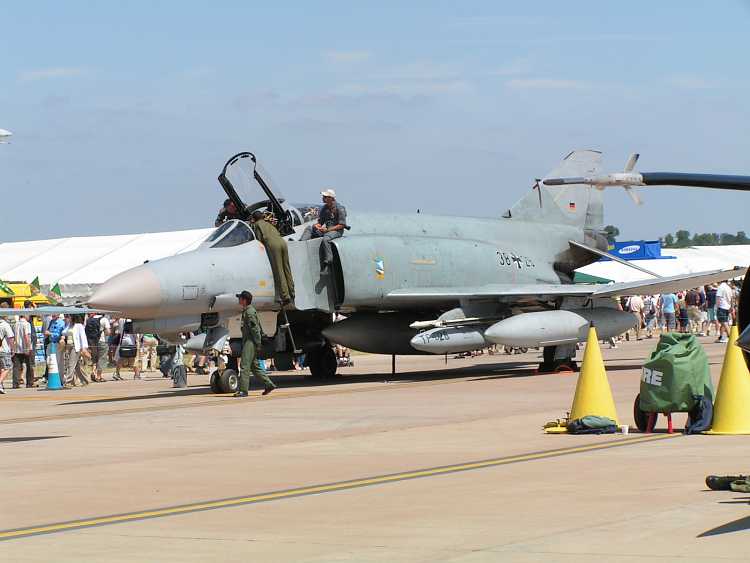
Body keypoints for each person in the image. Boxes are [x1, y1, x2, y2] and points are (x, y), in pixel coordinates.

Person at [235, 290, 275, 397]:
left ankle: (243, 390)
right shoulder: (248, 311)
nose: (238, 300)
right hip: (249, 340)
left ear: (244, 300)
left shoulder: (249, 312)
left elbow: (255, 329)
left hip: (250, 341)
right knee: (255, 367)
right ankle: (269, 384)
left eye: (240, 298)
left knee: (244, 366)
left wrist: (258, 343)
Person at [251, 210, 295, 304]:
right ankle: (292, 292)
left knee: (279, 270)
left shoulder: (257, 225)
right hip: (282, 242)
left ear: (254, 219)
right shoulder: (268, 224)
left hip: (273, 245)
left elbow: (258, 240)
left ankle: (285, 296)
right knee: (287, 268)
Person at [300, 189, 347, 274]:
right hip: (327, 230)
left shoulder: (340, 208)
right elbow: (320, 222)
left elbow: (342, 225)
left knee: (326, 239)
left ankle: (328, 263)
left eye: (325, 197)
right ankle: (300, 244)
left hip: (337, 231)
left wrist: (328, 230)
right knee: (309, 228)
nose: (323, 198)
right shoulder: (325, 208)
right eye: (323, 196)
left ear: (331, 198)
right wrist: (317, 225)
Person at [65, 314, 91, 387]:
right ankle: (85, 380)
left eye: (68, 317)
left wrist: (84, 348)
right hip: (69, 347)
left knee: (71, 364)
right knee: (77, 366)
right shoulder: (68, 325)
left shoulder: (79, 326)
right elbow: (64, 332)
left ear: (72, 317)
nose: (66, 318)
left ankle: (68, 381)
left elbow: (83, 336)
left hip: (76, 347)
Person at [85, 313, 110, 382]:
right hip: (102, 341)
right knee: (102, 358)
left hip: (92, 341)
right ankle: (99, 376)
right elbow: (108, 332)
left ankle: (93, 372)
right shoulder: (104, 319)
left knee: (94, 357)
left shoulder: (90, 319)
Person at [12, 314, 35, 388]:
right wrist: (28, 347)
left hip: (17, 348)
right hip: (25, 348)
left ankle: (15, 383)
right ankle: (29, 383)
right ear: (25, 315)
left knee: (17, 367)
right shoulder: (27, 324)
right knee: (29, 366)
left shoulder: (16, 324)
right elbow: (26, 336)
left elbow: (14, 336)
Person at [0, 313, 15, 394]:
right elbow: (11, 337)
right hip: (4, 349)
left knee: (1, 368)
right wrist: (12, 348)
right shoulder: (5, 325)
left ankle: (1, 386)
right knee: (7, 367)